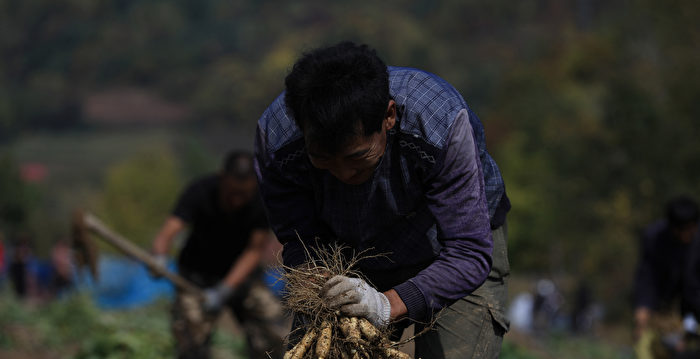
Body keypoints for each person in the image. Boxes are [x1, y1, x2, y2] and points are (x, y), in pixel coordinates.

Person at [254, 42, 511, 358]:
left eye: (357, 157)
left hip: (448, 249)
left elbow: (469, 250)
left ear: (388, 116)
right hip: (349, 254)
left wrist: (386, 304)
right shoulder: (278, 142)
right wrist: (318, 277)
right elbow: (300, 240)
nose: (343, 173)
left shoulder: (437, 123)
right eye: (323, 159)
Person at [151, 151, 285, 359]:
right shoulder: (200, 191)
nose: (237, 200)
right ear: (222, 178)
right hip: (196, 278)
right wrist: (159, 256)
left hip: (242, 279)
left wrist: (225, 289)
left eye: (243, 194)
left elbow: (254, 251)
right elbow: (168, 231)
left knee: (272, 329)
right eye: (232, 192)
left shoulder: (260, 199)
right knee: (190, 340)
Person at [633, 195, 700, 357]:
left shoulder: (697, 241)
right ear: (675, 229)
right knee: (645, 347)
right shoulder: (654, 238)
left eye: (694, 227)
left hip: (693, 307)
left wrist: (689, 328)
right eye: (688, 229)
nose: (692, 232)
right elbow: (647, 276)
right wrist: (643, 308)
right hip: (662, 309)